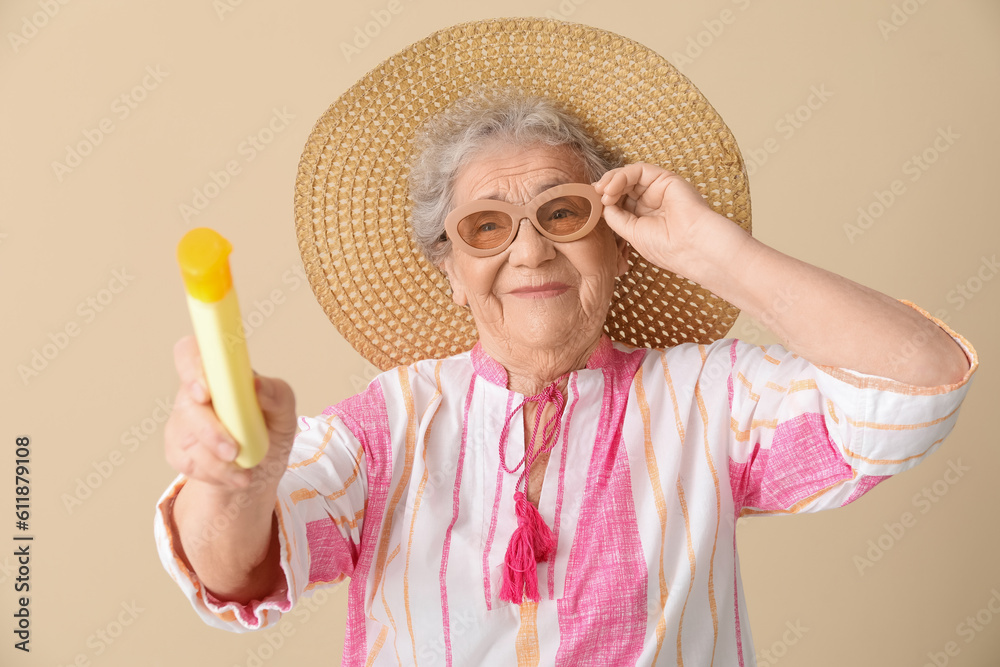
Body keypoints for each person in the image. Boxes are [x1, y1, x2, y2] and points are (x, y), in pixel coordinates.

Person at [153, 18, 978, 666]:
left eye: (562, 213)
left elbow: (917, 386)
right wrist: (240, 479)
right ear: (450, 269)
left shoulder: (711, 397)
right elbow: (236, 571)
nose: (530, 249)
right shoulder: (388, 423)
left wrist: (713, 252)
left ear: (619, 241)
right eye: (486, 226)